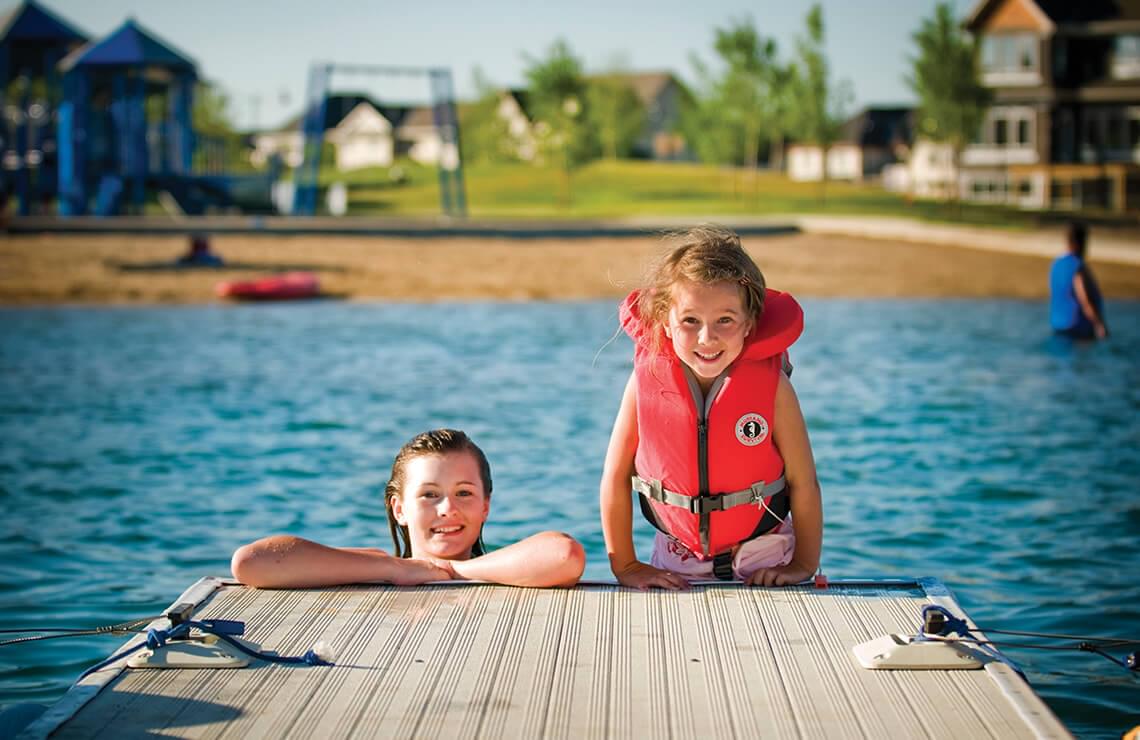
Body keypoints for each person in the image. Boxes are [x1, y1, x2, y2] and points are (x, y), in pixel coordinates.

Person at [600, 225, 822, 590]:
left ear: (748, 324)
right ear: (665, 325)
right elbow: (614, 478)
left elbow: (804, 483)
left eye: (725, 320)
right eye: (691, 321)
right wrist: (625, 565)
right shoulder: (644, 385)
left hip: (767, 557)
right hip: (676, 560)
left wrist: (802, 564)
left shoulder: (773, 389)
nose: (707, 338)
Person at [232, 429, 585, 588]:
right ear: (399, 508)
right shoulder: (375, 566)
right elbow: (251, 563)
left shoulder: (510, 567)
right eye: (429, 495)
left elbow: (563, 555)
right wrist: (393, 568)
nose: (447, 508)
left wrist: (451, 570)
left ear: (485, 507)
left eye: (464, 493)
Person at [1050, 221, 1108, 340]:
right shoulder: (1078, 267)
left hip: (1058, 326)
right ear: (1081, 243)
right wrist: (1099, 324)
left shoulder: (1056, 264)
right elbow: (1084, 299)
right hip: (1079, 329)